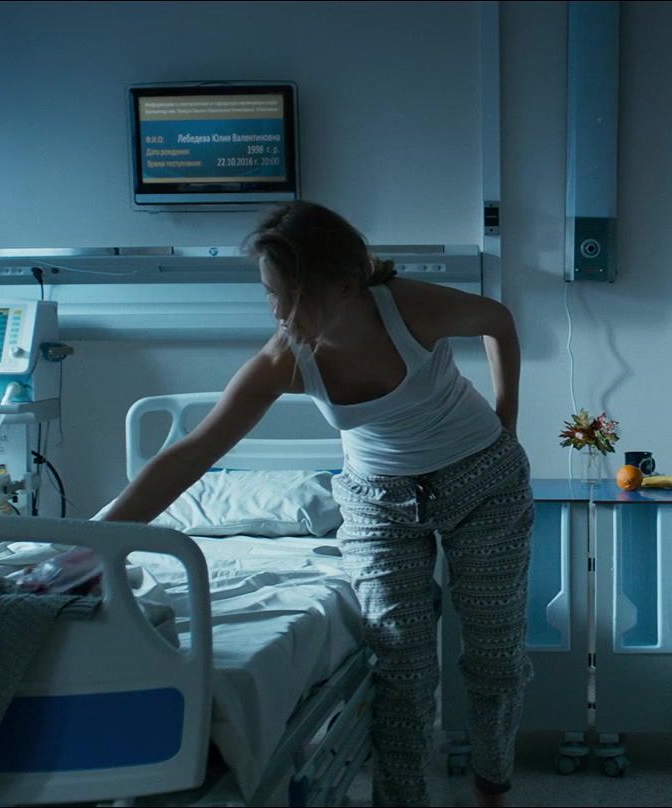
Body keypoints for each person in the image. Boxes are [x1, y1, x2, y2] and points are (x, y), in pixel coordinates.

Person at [102, 200, 535, 807]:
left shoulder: (412, 308)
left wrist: (506, 419)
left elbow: (500, 321)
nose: (279, 313)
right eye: (269, 295)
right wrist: (96, 540)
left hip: (482, 481)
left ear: (345, 282)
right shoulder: (284, 358)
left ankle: (491, 785)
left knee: (494, 654)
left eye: (293, 296)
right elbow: (191, 453)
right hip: (379, 502)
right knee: (401, 664)